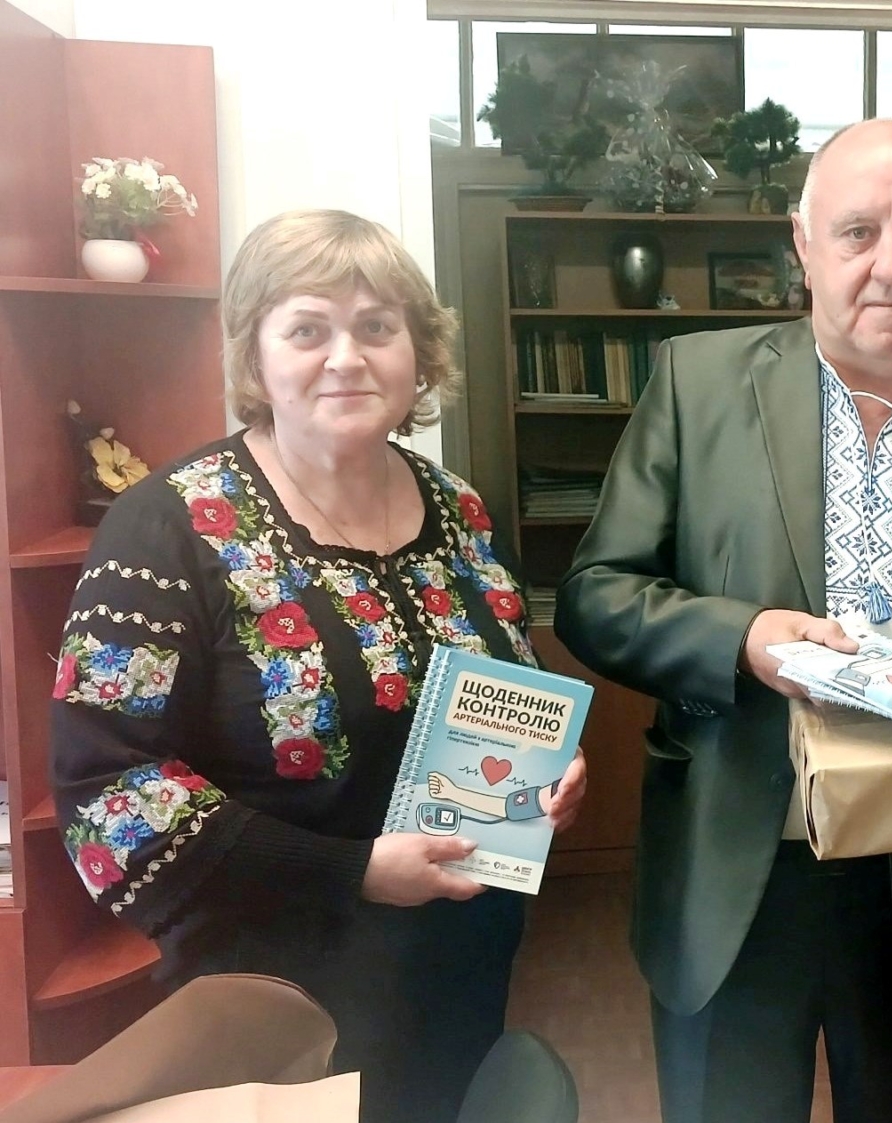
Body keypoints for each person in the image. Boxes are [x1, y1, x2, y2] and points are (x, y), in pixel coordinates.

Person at [555, 118, 892, 1123]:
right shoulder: (697, 385)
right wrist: (743, 639)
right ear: (803, 243)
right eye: (857, 231)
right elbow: (595, 593)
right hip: (734, 877)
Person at [50, 209, 587, 1123]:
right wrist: (354, 869)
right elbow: (107, 790)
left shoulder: (458, 507)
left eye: (377, 326)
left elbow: (509, 685)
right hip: (279, 997)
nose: (347, 357)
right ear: (256, 357)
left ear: (419, 352)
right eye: (308, 330)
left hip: (460, 965)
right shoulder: (167, 525)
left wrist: (553, 771)